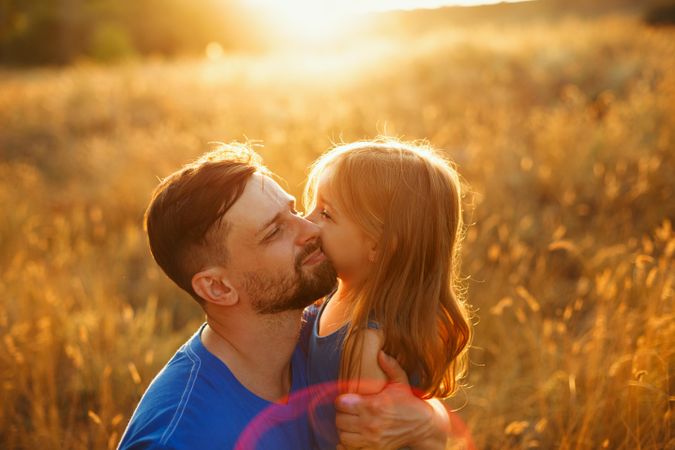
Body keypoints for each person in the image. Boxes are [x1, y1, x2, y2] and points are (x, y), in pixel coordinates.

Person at [118, 143, 454, 449]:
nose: (311, 230)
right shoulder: (182, 439)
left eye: (293, 211)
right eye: (275, 231)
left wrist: (426, 423)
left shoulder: (314, 326)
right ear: (218, 288)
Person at [302, 139, 473, 449]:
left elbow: (362, 439)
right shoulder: (333, 296)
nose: (306, 220)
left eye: (325, 214)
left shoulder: (367, 345)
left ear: (380, 246)